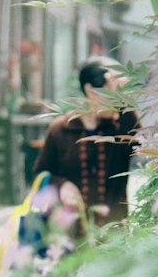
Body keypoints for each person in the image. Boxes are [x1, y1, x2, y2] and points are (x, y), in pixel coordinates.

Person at [32, 57, 140, 223]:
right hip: (68, 235)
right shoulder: (61, 129)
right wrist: (62, 185)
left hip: (114, 239)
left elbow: (140, 142)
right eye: (112, 88)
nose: (118, 96)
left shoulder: (119, 129)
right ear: (90, 90)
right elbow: (41, 173)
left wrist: (124, 100)